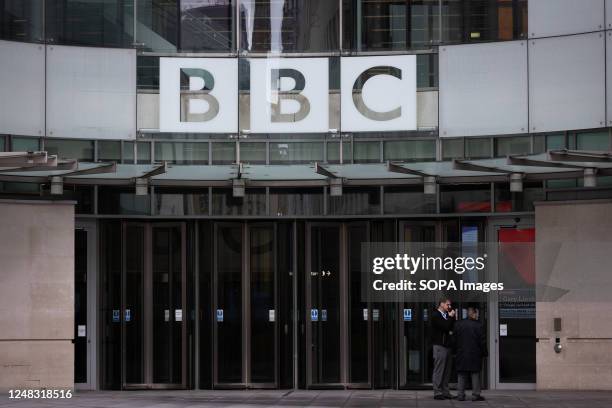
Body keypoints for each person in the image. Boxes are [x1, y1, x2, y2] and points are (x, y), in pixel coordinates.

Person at [453, 307, 487, 402]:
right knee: (475, 374)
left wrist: (454, 352)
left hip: (461, 353)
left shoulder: (458, 324)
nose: (477, 316)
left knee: (461, 374)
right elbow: (482, 342)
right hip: (474, 354)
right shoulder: (479, 326)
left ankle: (460, 395)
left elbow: (454, 340)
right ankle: (476, 395)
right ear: (473, 314)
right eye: (476, 314)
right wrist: (485, 352)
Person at [430, 297, 456, 400]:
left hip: (448, 345)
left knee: (447, 371)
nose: (449, 307)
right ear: (441, 304)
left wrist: (451, 318)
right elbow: (445, 327)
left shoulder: (446, 315)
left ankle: (445, 391)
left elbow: (451, 327)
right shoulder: (436, 315)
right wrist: (450, 318)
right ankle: (437, 392)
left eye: (450, 305)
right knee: (439, 369)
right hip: (439, 346)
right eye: (447, 305)